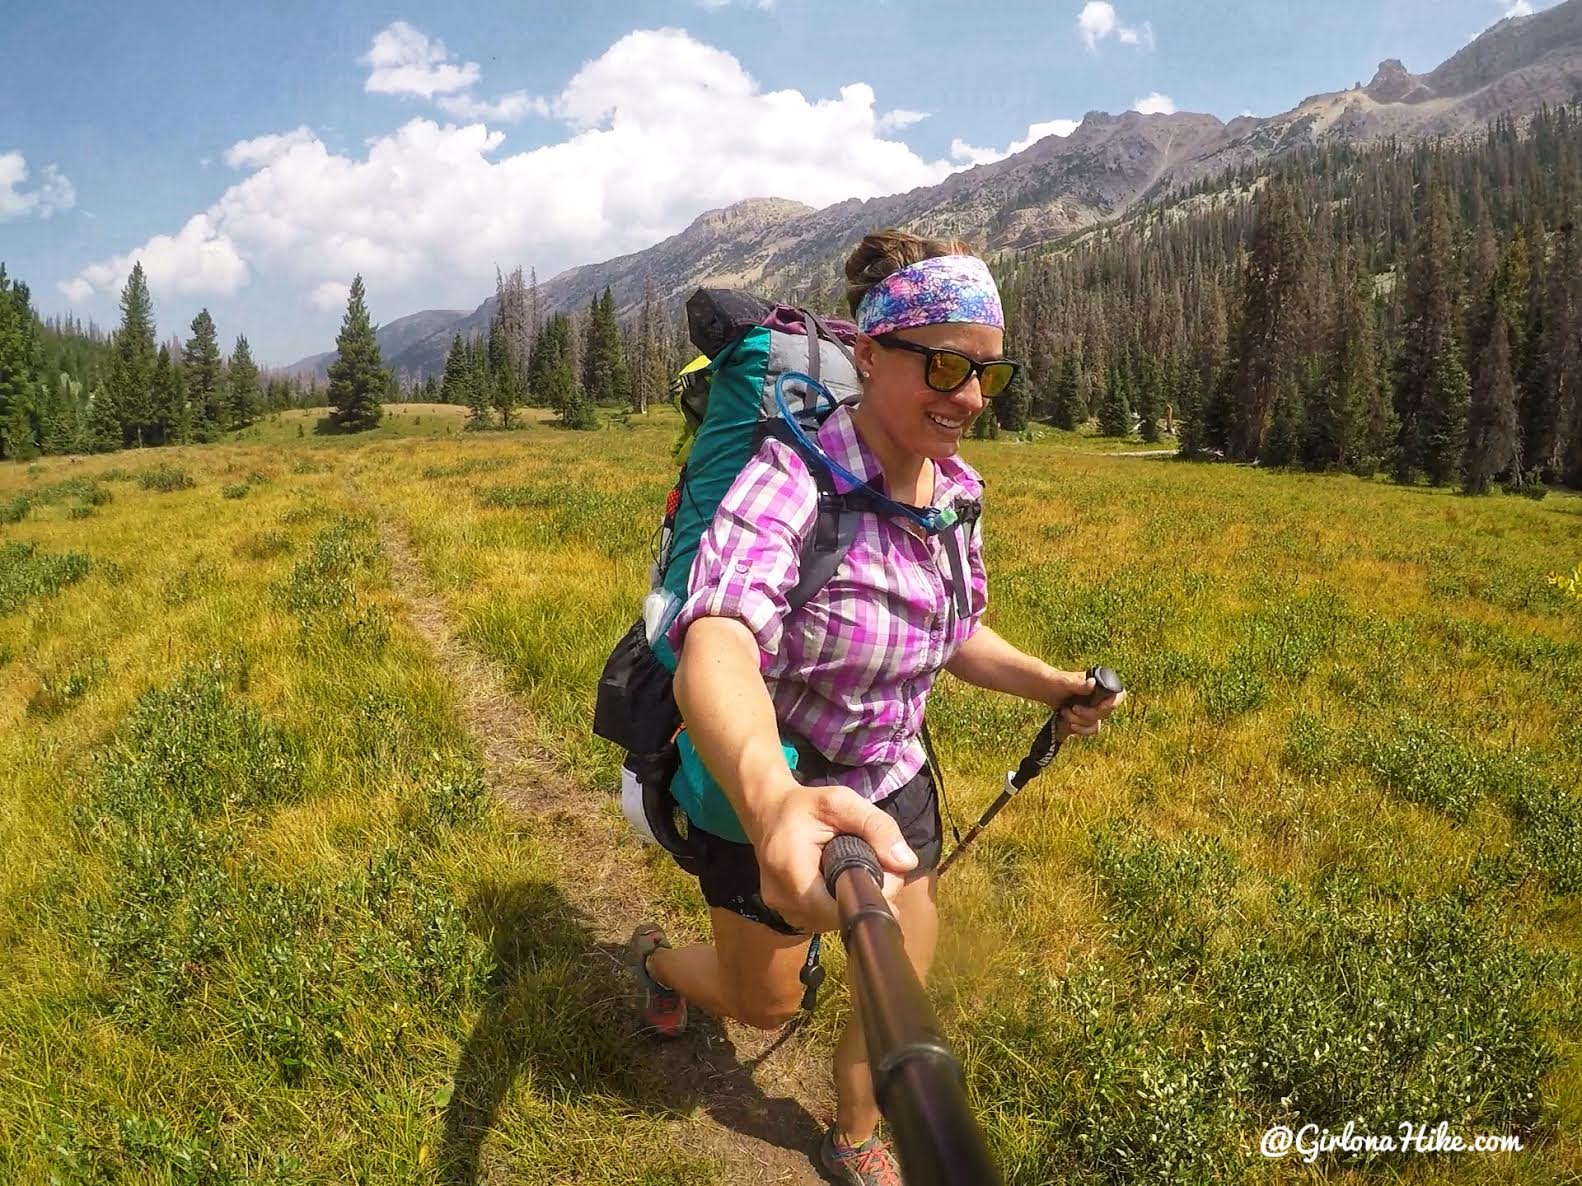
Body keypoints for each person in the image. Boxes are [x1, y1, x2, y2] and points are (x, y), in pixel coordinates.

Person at [626, 229, 1125, 1185]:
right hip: (777, 792)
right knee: (763, 1002)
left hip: (894, 782)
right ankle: (656, 960)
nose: (970, 396)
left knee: (898, 985)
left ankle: (856, 1133)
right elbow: (718, 636)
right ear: (867, 353)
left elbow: (954, 635)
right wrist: (774, 801)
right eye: (943, 363)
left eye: (988, 372)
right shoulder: (791, 477)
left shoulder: (956, 497)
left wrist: (1054, 683)